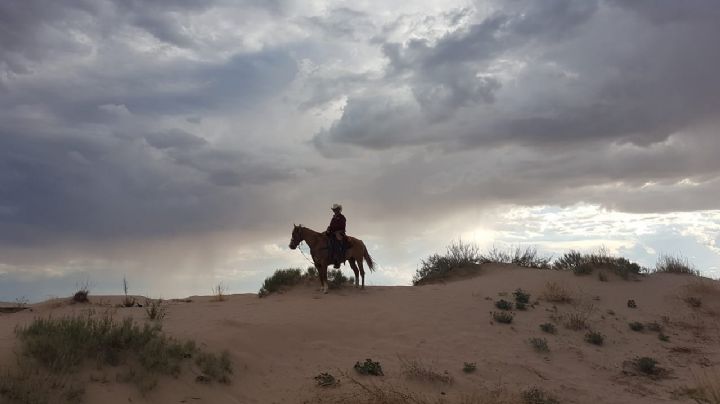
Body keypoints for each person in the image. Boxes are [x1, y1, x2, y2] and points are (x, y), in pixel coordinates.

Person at [326, 203, 346, 268]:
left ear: (338, 210)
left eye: (336, 209)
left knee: (336, 243)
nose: (335, 211)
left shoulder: (342, 217)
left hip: (339, 233)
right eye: (334, 210)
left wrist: (333, 228)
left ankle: (337, 261)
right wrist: (329, 229)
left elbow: (342, 226)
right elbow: (331, 225)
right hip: (333, 233)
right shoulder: (333, 218)